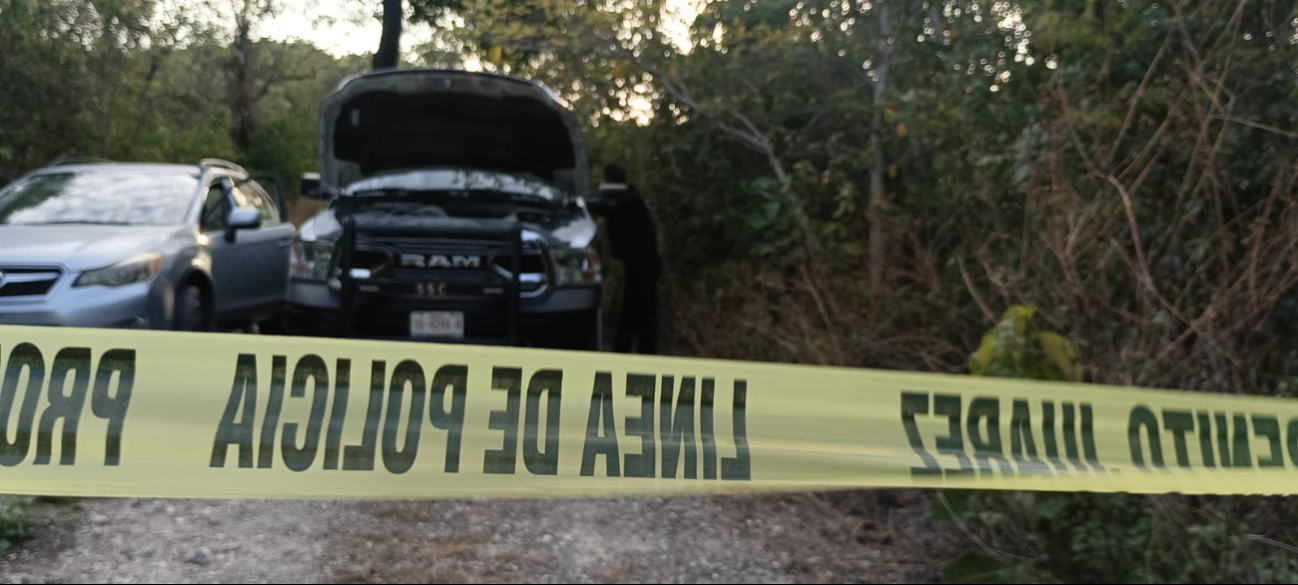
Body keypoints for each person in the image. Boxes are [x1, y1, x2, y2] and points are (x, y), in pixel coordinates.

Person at [586, 164, 662, 354]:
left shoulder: (624, 199)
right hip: (642, 264)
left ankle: (627, 350)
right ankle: (639, 350)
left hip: (642, 265)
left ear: (606, 179)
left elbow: (604, 206)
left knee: (635, 309)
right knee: (641, 309)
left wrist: (579, 203)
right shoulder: (631, 198)